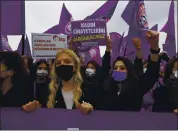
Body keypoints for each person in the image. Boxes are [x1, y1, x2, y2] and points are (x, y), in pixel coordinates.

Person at [102, 30, 161, 111]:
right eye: (115, 68)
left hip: (132, 123)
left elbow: (152, 73)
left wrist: (154, 47)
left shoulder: (137, 87)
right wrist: (108, 50)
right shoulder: (107, 87)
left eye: (122, 68)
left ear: (129, 70)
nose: (118, 70)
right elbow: (104, 69)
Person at [22, 49, 93, 114]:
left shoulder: (88, 88)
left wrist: (91, 109)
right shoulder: (48, 89)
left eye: (67, 61)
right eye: (58, 63)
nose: (62, 64)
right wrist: (34, 108)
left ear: (75, 66)